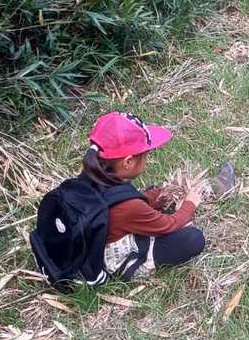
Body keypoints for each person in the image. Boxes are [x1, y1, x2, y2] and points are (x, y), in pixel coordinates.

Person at [84, 112, 235, 280]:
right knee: (193, 239)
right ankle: (209, 191)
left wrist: (164, 193)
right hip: (113, 260)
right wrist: (189, 205)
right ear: (128, 162)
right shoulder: (129, 206)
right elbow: (169, 225)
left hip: (98, 241)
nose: (146, 159)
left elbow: (125, 201)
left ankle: (203, 190)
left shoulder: (93, 176)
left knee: (154, 193)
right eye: (145, 155)